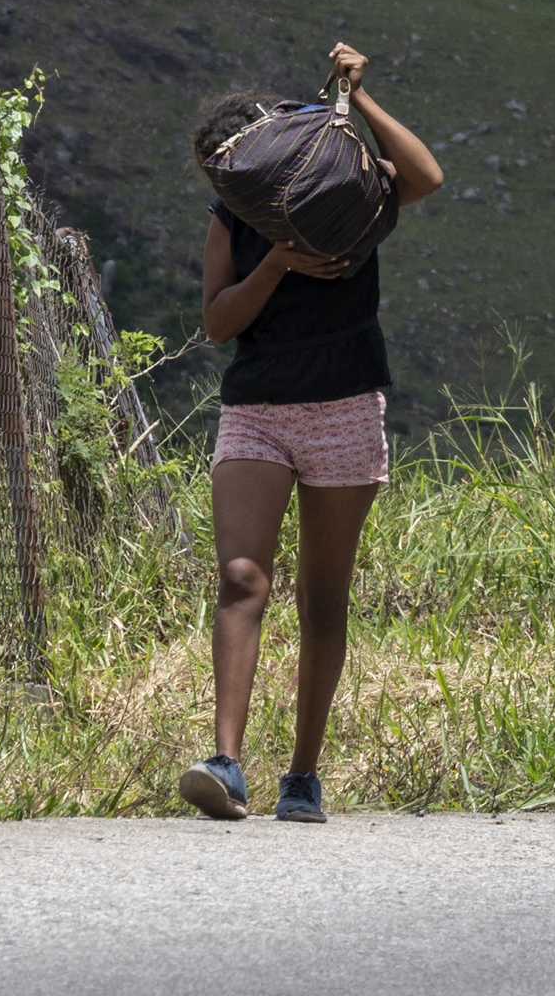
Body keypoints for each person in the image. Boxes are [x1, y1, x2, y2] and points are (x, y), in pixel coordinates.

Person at [176, 44, 443, 823]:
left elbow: (425, 179)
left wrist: (361, 102)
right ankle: (226, 764)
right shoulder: (232, 219)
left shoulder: (347, 188)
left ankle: (302, 777)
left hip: (344, 405)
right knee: (242, 578)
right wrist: (277, 266)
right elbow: (219, 323)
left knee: (324, 599)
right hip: (257, 407)